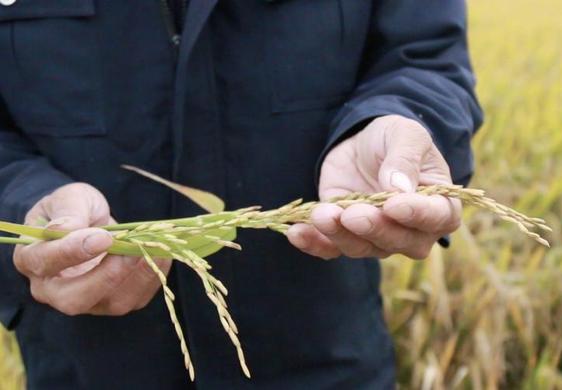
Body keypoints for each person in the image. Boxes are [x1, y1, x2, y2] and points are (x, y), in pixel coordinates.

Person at [0, 0, 482, 388]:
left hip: (323, 355)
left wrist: (404, 120)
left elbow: (425, 58)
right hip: (82, 363)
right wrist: (25, 200)